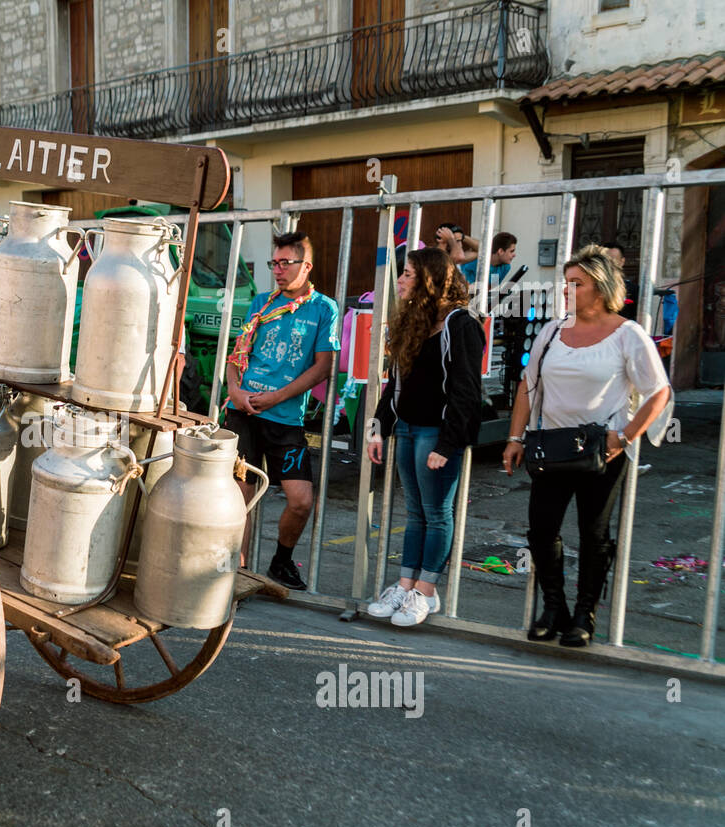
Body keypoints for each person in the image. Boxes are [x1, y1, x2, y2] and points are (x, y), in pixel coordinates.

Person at [504, 245, 672, 647]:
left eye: (576, 284)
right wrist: (514, 437)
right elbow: (529, 388)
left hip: (602, 451)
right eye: (566, 283)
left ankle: (585, 614)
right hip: (551, 448)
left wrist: (625, 435)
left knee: (593, 533)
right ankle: (554, 607)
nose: (567, 291)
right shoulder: (551, 331)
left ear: (600, 287)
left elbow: (659, 391)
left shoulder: (627, 334)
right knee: (542, 529)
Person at [366, 248, 485, 627]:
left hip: (436, 432)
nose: (400, 280)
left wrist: (448, 444)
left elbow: (467, 391)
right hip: (407, 428)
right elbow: (394, 385)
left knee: (436, 514)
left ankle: (426, 592)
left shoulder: (461, 324)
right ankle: (405, 586)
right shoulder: (412, 321)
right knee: (414, 513)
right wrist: (377, 429)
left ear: (430, 279)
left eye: (408, 274)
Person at [225, 230, 339, 590]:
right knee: (239, 495)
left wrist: (278, 397)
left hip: (286, 418)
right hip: (243, 413)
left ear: (306, 266)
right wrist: (234, 391)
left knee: (301, 501)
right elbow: (236, 356)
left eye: (285, 263)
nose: (277, 269)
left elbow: (323, 366)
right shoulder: (260, 302)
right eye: (274, 263)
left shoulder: (324, 308)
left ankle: (281, 561)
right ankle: (236, 571)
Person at [603, 243, 638, 319]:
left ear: (622, 261)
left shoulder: (633, 290)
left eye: (614, 259)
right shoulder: (590, 286)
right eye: (606, 260)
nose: (610, 263)